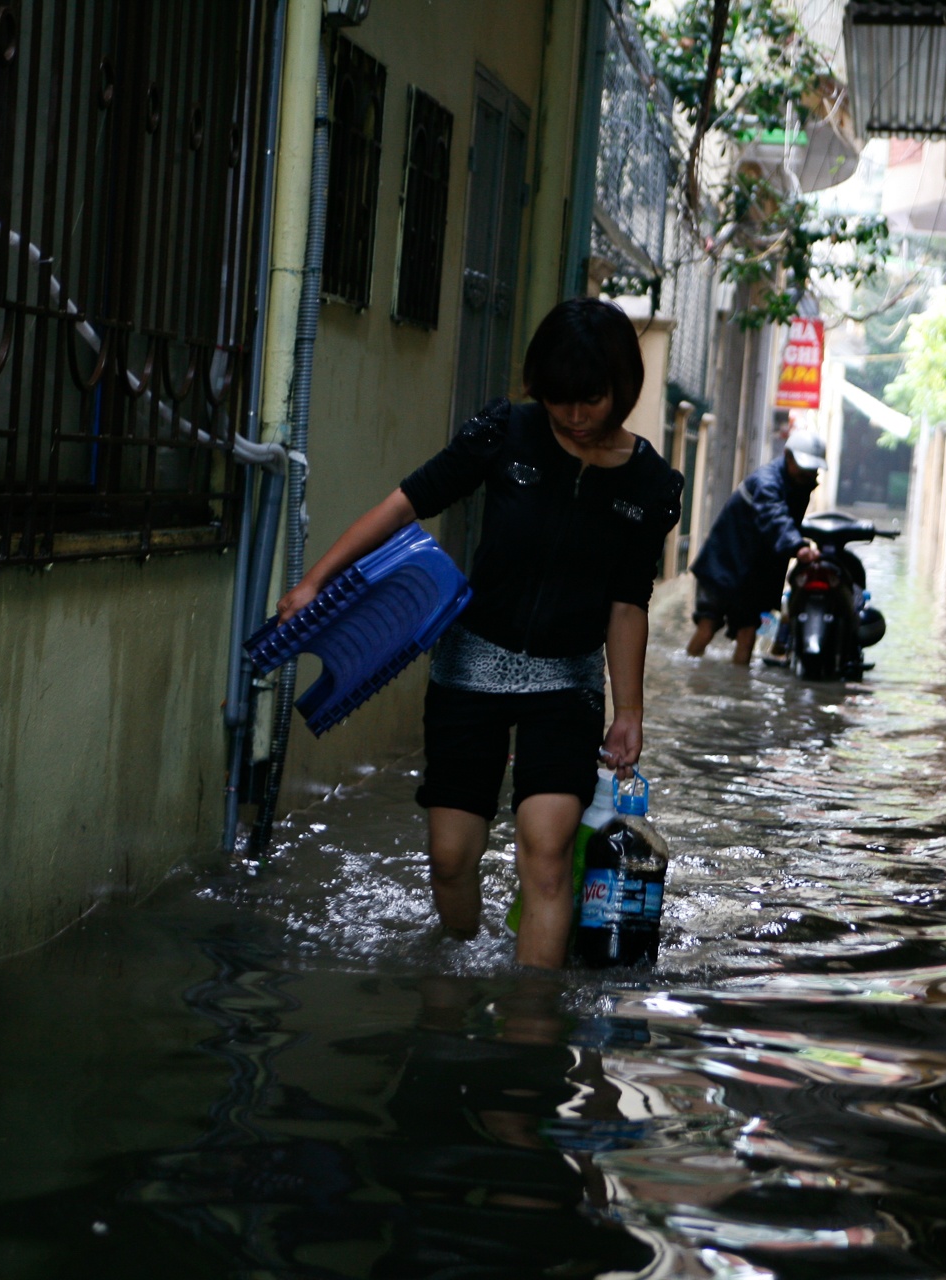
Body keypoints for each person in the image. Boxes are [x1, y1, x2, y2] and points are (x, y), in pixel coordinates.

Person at [277, 299, 683, 969]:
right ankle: (460, 971)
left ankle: (528, 1035)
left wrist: (629, 711)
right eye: (558, 401)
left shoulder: (650, 484)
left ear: (620, 389)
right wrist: (317, 578)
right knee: (448, 859)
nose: (574, 416)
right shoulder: (506, 433)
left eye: (589, 400)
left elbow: (628, 605)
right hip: (469, 666)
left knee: (547, 855)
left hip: (567, 684)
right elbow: (407, 502)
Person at [686, 429, 826, 665]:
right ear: (788, 456)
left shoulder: (799, 484)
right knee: (707, 628)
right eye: (804, 468)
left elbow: (786, 522)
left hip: (752, 573)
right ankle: (688, 673)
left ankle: (739, 691)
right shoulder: (767, 483)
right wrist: (798, 546)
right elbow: (775, 517)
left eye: (812, 470)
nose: (807, 474)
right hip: (723, 564)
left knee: (748, 635)